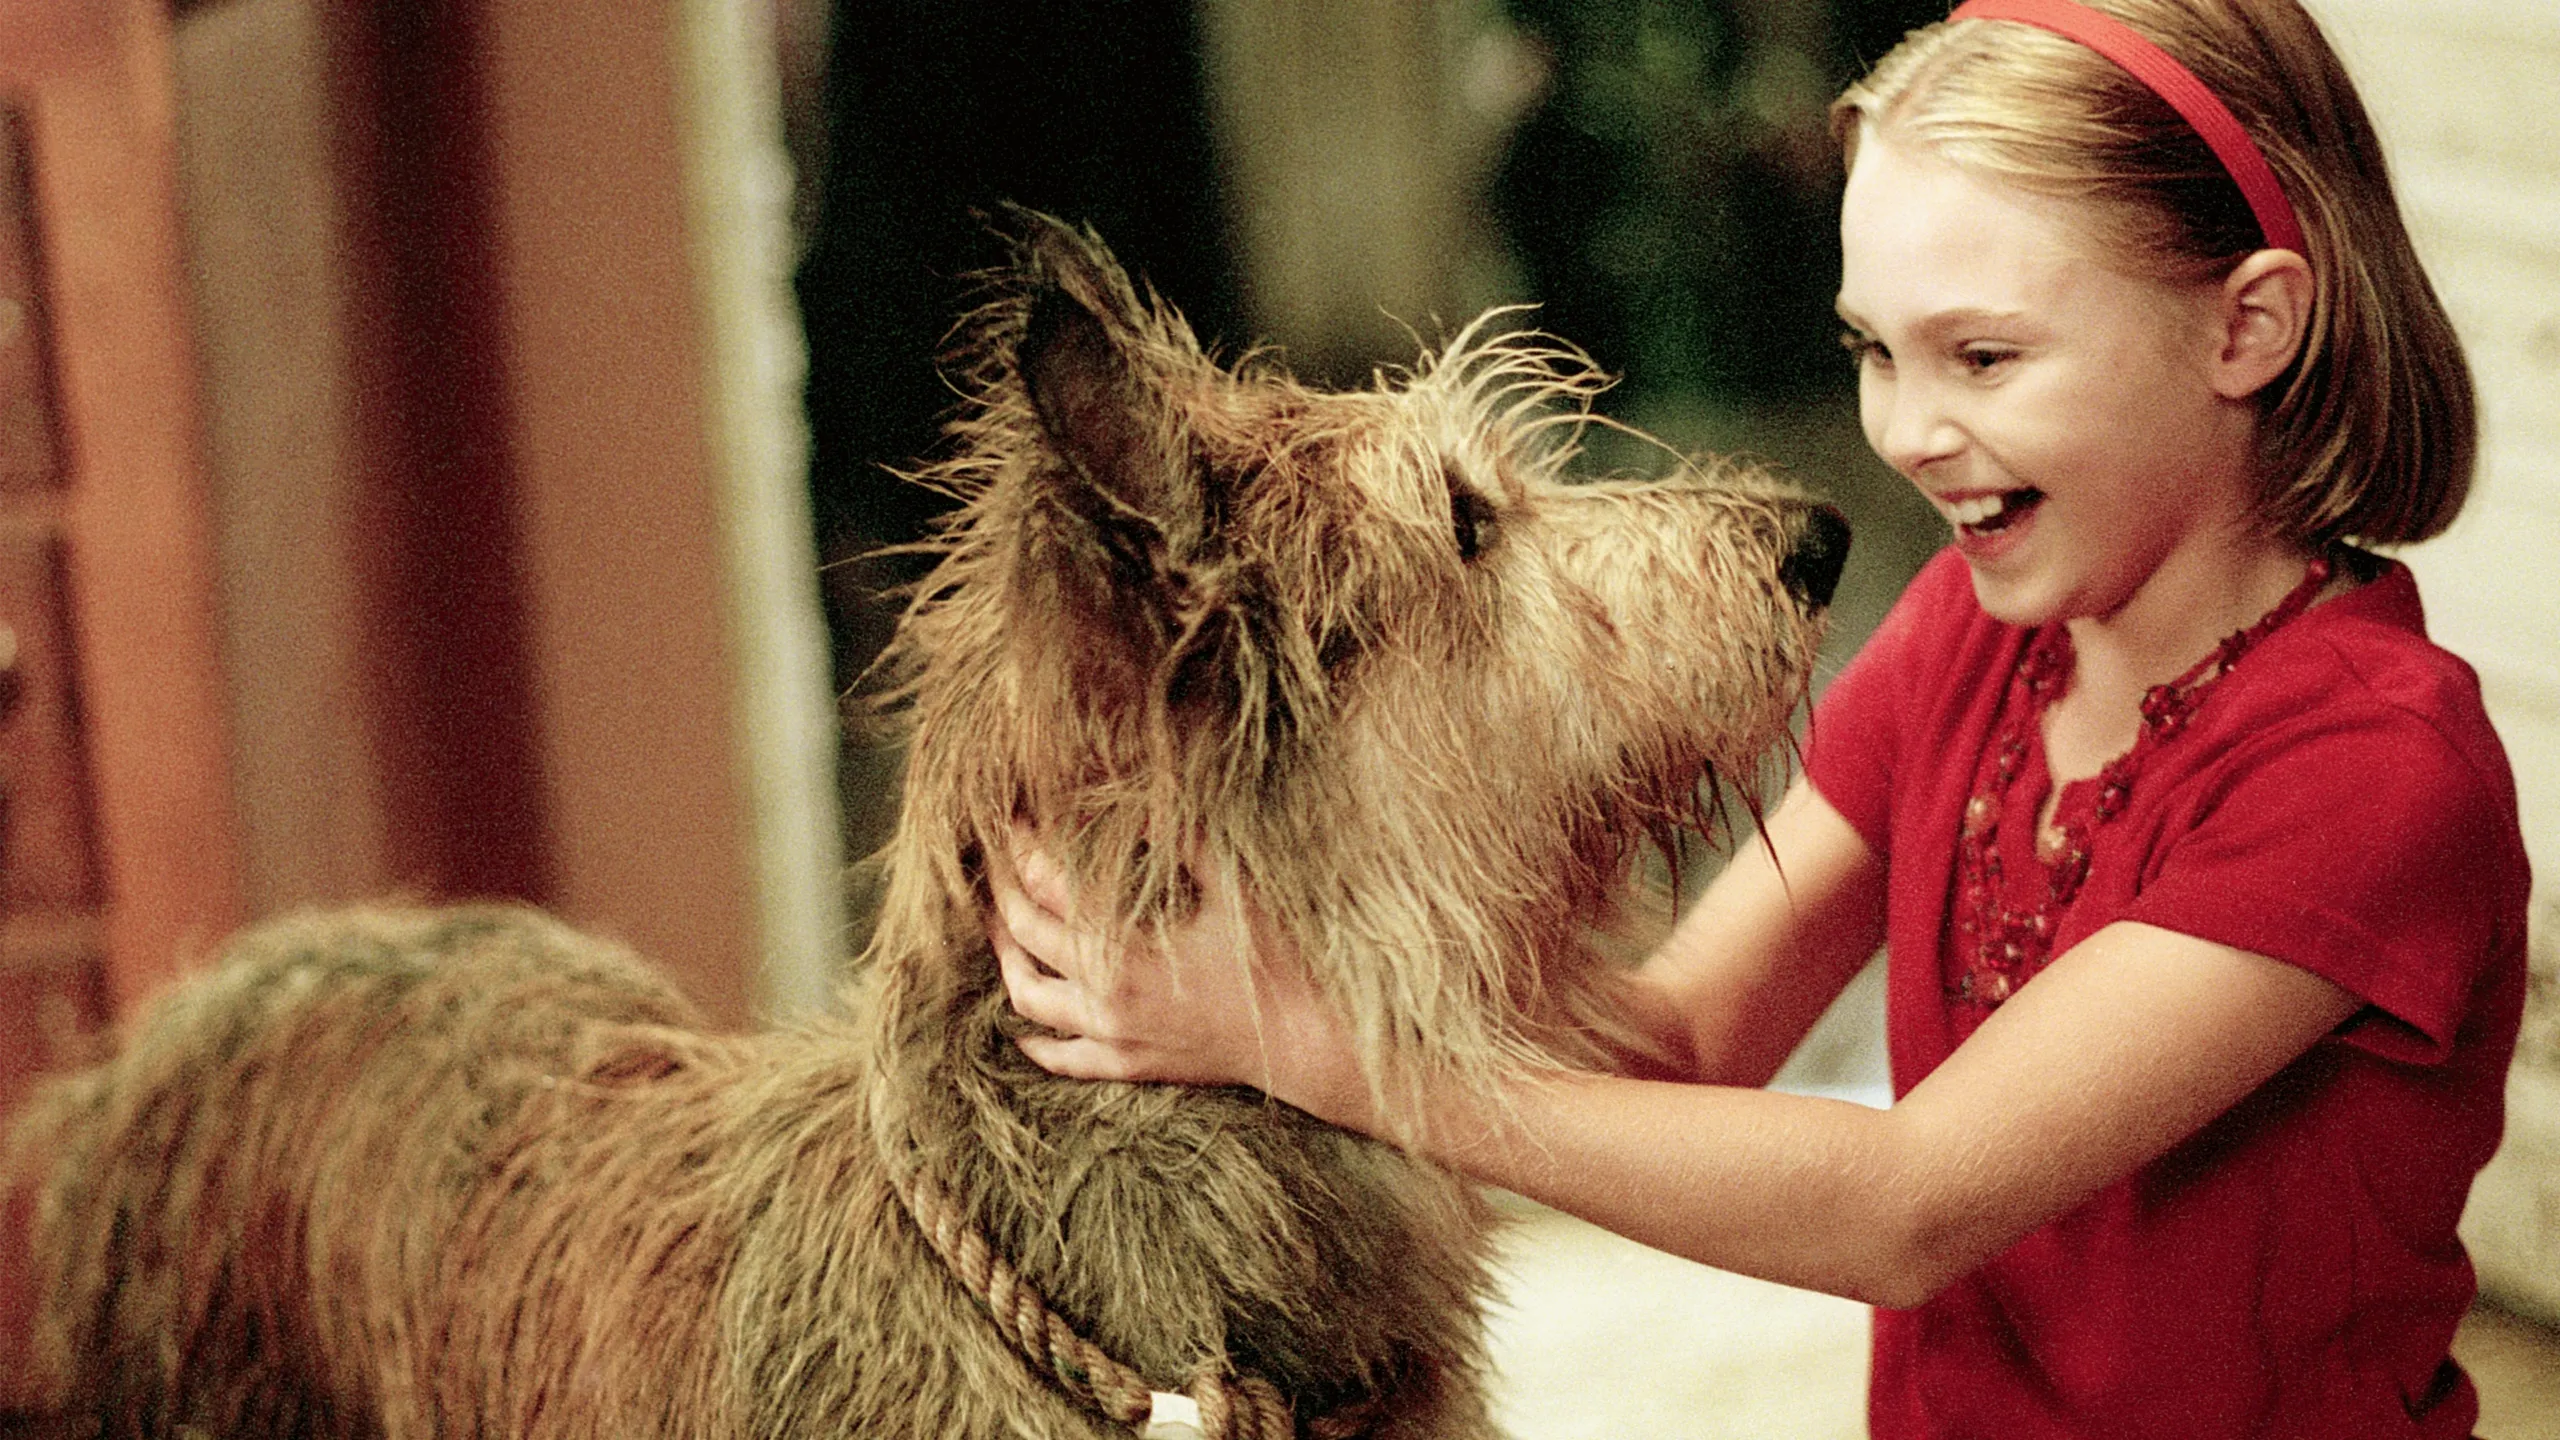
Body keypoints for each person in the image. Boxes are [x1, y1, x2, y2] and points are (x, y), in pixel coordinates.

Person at [989, 1, 2530, 1435]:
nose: (1908, 433)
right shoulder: (1974, 644)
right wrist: (1268, 940)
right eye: (1875, 350)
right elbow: (1682, 1041)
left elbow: (1908, 1205)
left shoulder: (2375, 769)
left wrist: (1314, 1047)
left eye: (1984, 356)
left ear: (2247, 329)